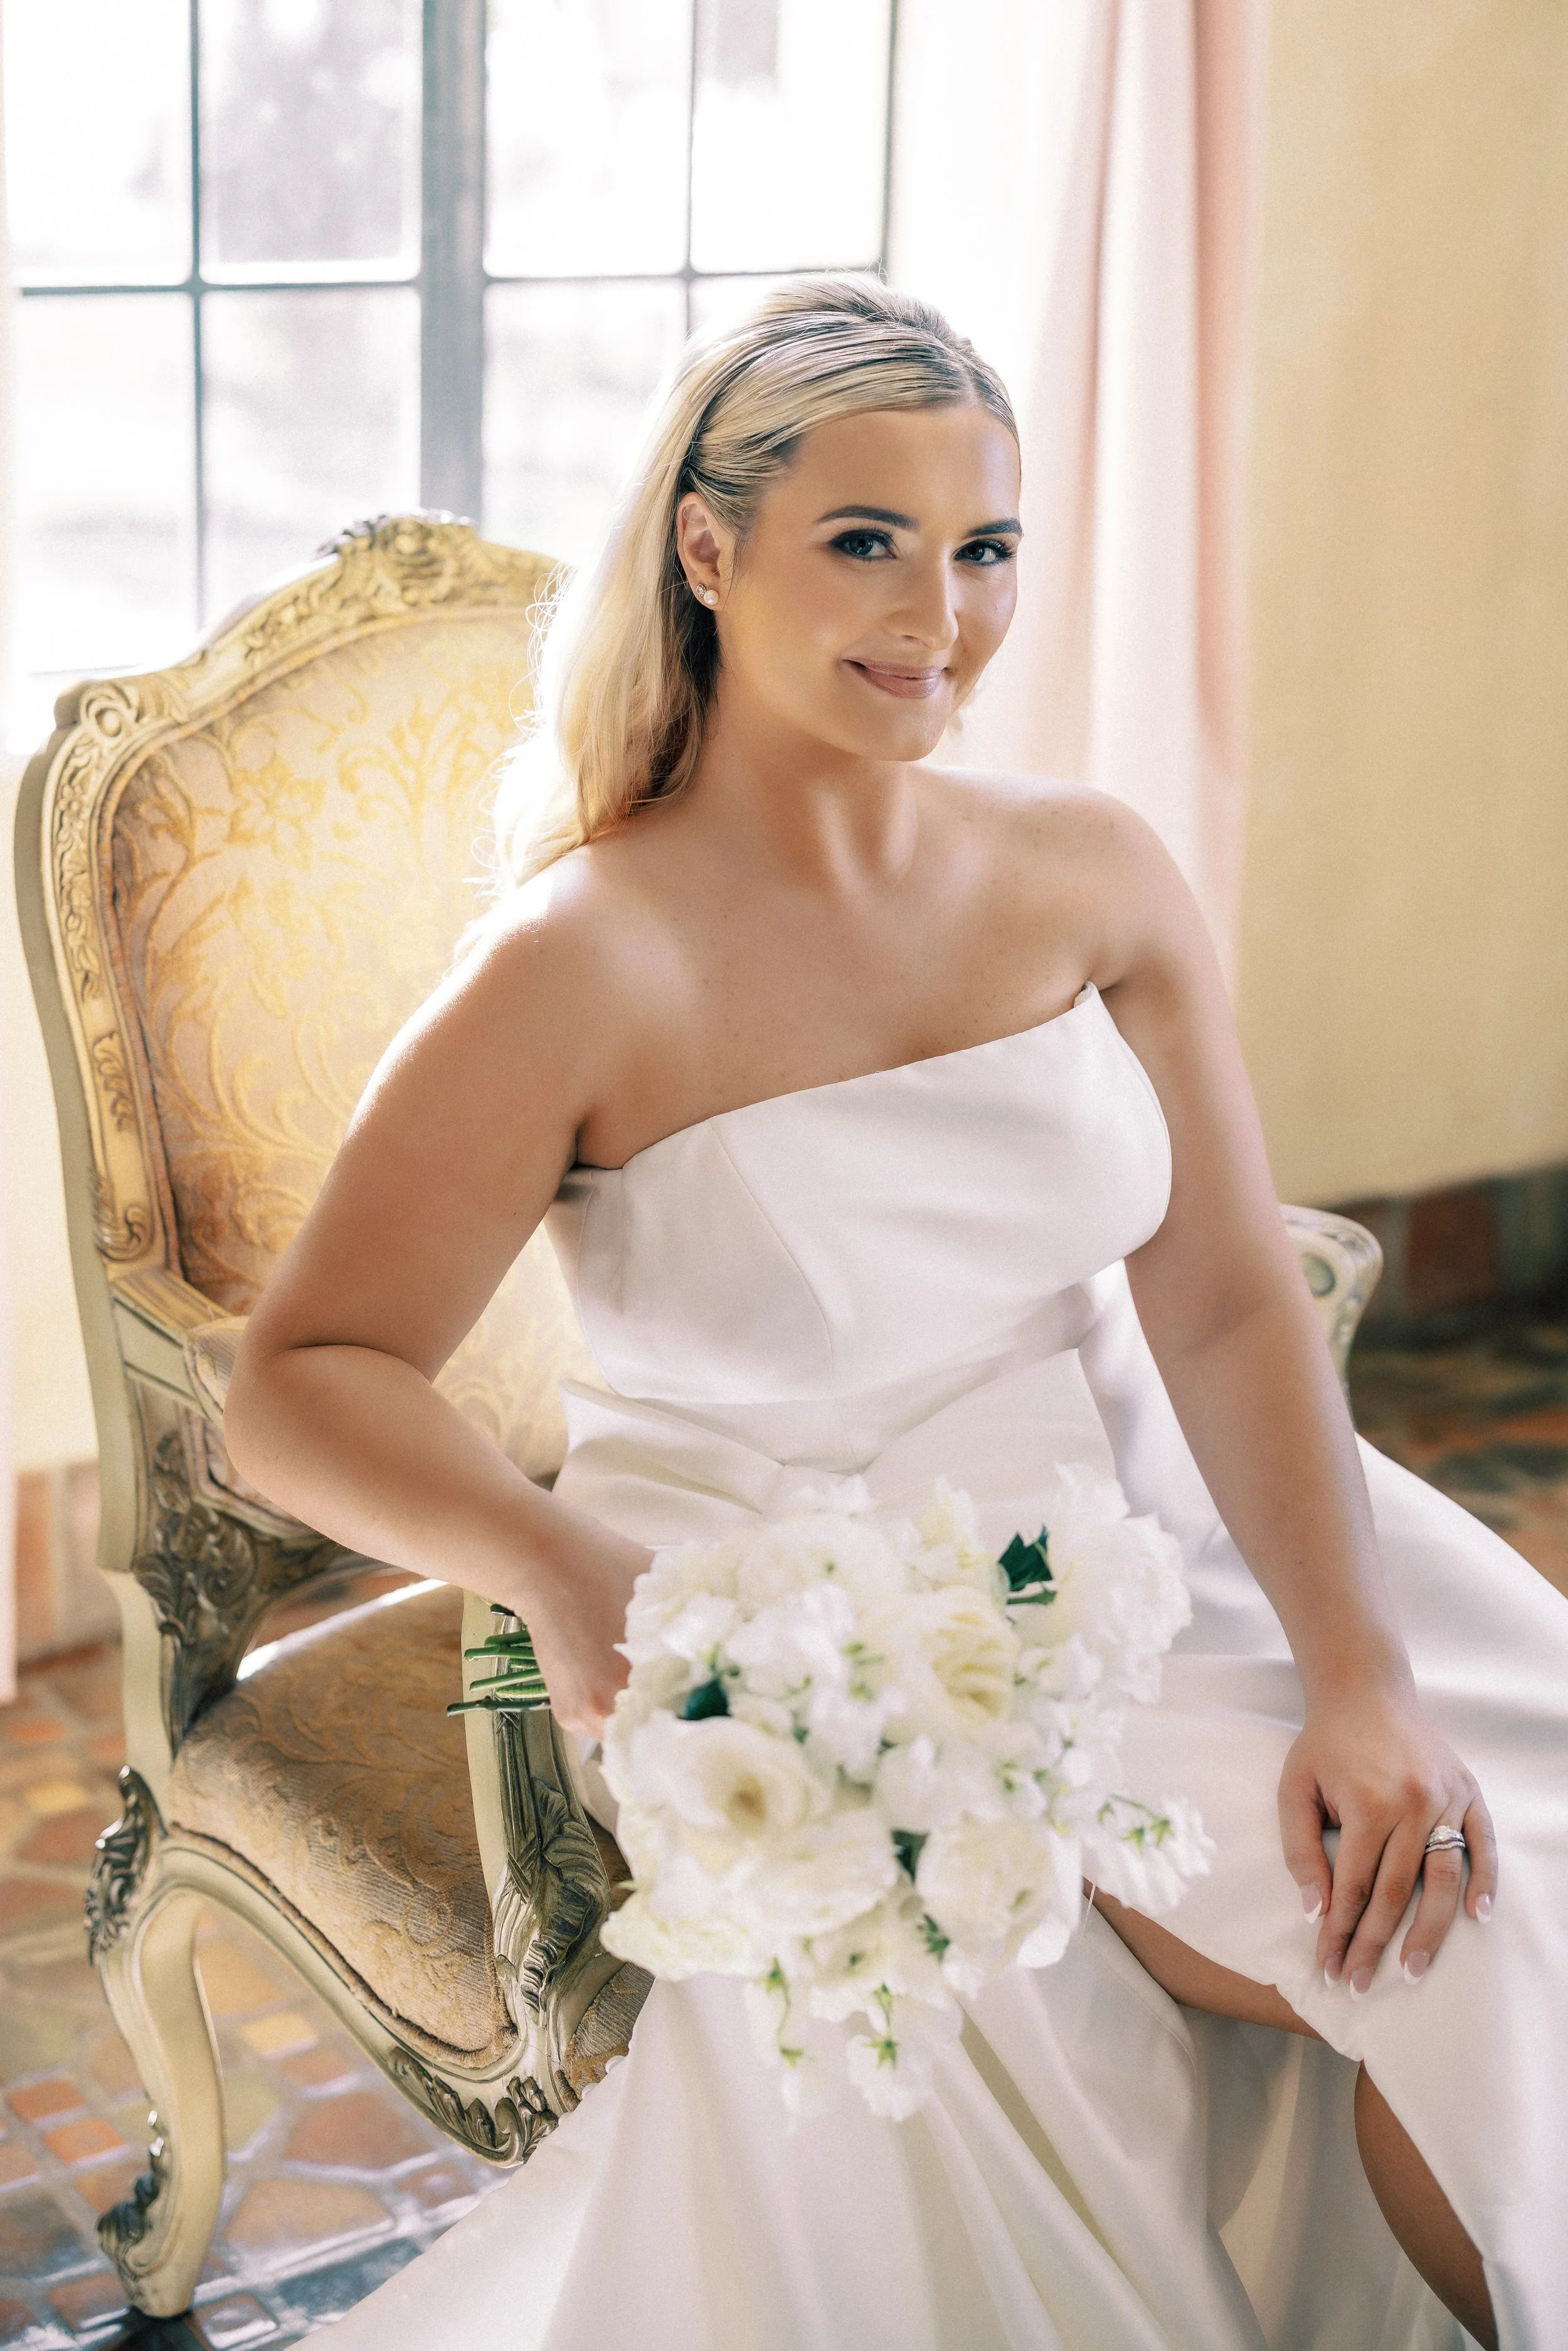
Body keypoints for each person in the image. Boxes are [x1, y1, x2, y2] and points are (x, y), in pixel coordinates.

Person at [225, 275, 1565, 2351]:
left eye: (985, 548)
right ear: (709, 545)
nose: (936, 612)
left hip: (1170, 1511)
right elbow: (297, 1386)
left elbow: (1219, 1301)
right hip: (833, 1619)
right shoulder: (579, 962)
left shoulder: (1090, 873)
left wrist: (1355, 1665)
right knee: (1444, 1938)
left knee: (1522, 1822)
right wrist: (567, 1564)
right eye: (867, 540)